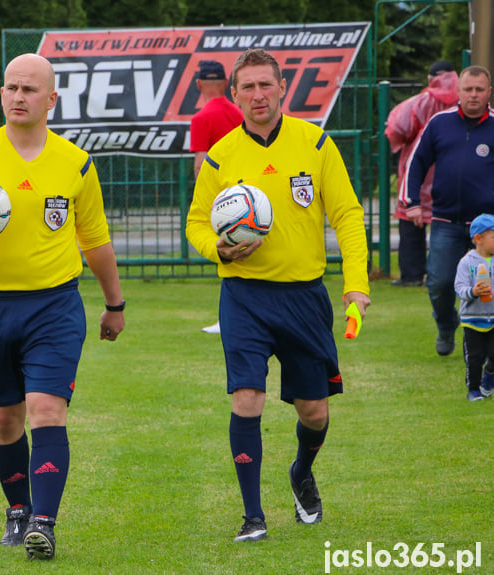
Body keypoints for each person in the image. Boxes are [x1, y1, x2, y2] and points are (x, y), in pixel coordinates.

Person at [0, 53, 125, 561]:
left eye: (30, 90)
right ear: (1, 96)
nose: (18, 97)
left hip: (54, 306)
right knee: (4, 420)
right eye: (11, 88)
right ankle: (18, 510)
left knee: (46, 410)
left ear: (51, 100)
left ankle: (44, 521)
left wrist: (114, 303)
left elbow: (96, 240)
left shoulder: (76, 163)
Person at [186, 48, 370, 543]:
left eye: (266, 85)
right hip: (244, 296)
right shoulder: (223, 154)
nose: (257, 95)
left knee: (315, 411)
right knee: (247, 396)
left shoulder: (315, 143)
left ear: (283, 88)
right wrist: (220, 251)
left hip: (304, 296)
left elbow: (349, 215)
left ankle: (301, 472)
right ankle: (253, 516)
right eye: (247, 87)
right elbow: (197, 223)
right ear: (234, 94)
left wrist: (357, 283)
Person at [403, 65, 494, 357]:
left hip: (487, 227)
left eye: (480, 89)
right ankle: (446, 325)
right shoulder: (439, 123)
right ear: (459, 91)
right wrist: (413, 203)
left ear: (489, 92)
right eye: (468, 89)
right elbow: (415, 163)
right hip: (445, 221)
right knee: (440, 283)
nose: (473, 95)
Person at [386, 61, 459, 287]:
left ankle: (412, 275)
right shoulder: (463, 103)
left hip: (418, 171)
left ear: (430, 79)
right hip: (450, 173)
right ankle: (454, 276)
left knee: (410, 223)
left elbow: (396, 128)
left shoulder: (419, 102)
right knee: (450, 227)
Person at [189, 60, 244, 334]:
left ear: (198, 84)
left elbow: (201, 165)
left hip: (220, 200)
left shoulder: (201, 118)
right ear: (226, 84)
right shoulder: (240, 113)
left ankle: (229, 319)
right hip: (250, 194)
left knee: (225, 254)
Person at [454, 213, 494, 401]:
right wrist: (473, 291)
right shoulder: (467, 262)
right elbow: (459, 288)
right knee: (475, 357)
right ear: (478, 239)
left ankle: (489, 377)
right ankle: (474, 389)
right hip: (473, 319)